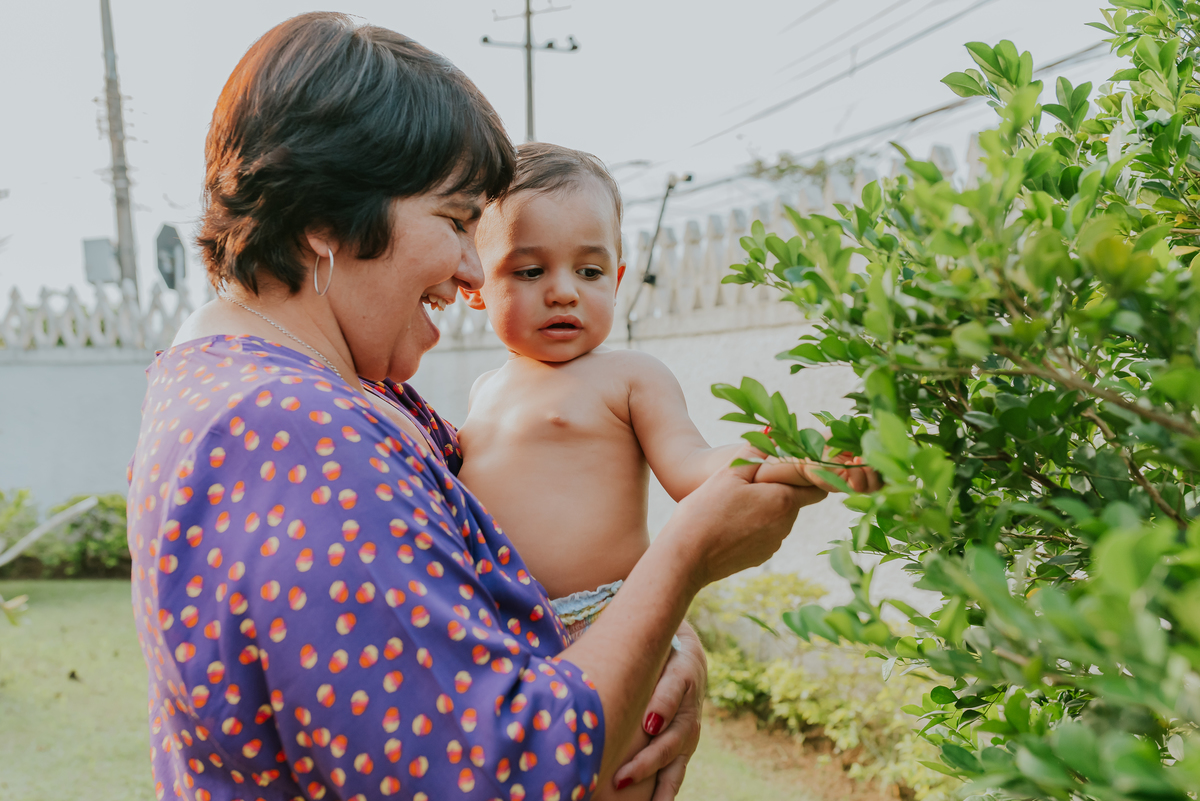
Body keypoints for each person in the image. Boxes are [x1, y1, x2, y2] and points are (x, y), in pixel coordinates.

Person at [128, 13, 830, 801]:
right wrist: (684, 561)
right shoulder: (293, 434)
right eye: (458, 220)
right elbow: (502, 776)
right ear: (326, 217)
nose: (471, 271)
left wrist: (658, 650)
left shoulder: (323, 391)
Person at [455, 144, 880, 798]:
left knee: (613, 779)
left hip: (608, 621)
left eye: (590, 271)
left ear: (618, 278)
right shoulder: (484, 389)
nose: (564, 289)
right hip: (502, 630)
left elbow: (695, 466)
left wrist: (797, 458)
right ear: (477, 285)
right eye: (532, 269)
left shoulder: (630, 377)